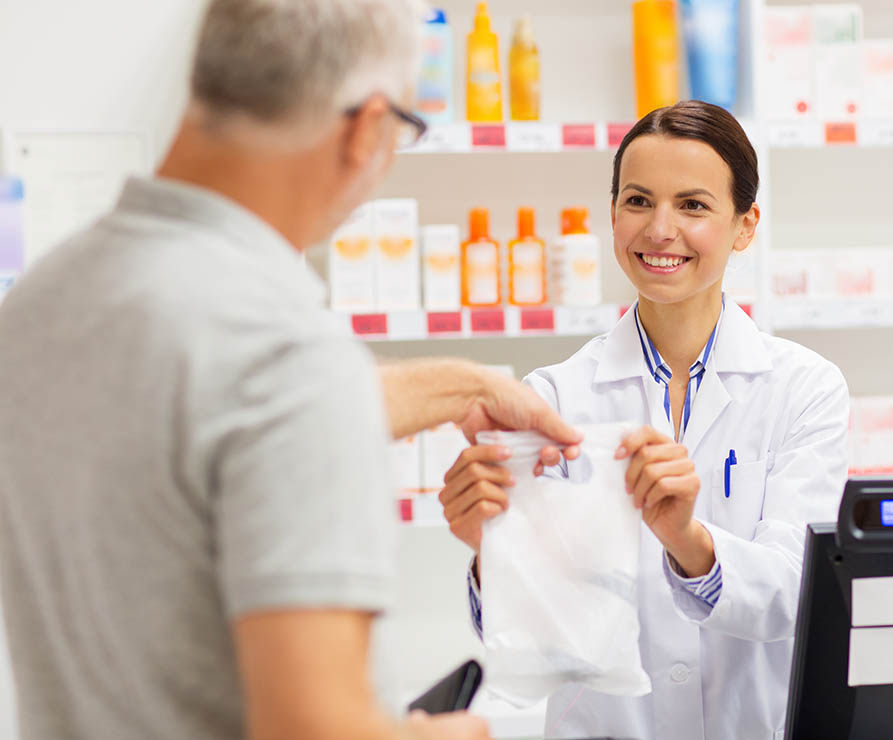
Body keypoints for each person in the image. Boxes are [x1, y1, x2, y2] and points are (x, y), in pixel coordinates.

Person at [0, 2, 579, 739]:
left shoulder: (46, 297)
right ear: (369, 128)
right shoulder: (290, 358)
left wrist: (463, 385)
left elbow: (208, 417)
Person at [440, 100, 850, 740]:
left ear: (744, 226)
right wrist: (490, 552)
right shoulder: (551, 397)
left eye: (693, 205)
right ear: (612, 216)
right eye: (637, 201)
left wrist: (687, 537)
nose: (660, 229)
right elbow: (539, 642)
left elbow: (799, 596)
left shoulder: (804, 389)